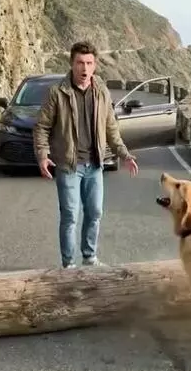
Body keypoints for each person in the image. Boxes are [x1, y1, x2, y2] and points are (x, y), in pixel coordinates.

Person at [33, 41, 138, 268]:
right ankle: (69, 265)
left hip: (95, 164)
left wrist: (124, 154)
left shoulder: (101, 91)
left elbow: (111, 127)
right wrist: (42, 155)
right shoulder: (57, 92)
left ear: (95, 65)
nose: (85, 68)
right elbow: (41, 127)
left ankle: (89, 258)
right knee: (70, 215)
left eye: (89, 63)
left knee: (95, 213)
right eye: (80, 63)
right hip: (69, 165)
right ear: (72, 64)